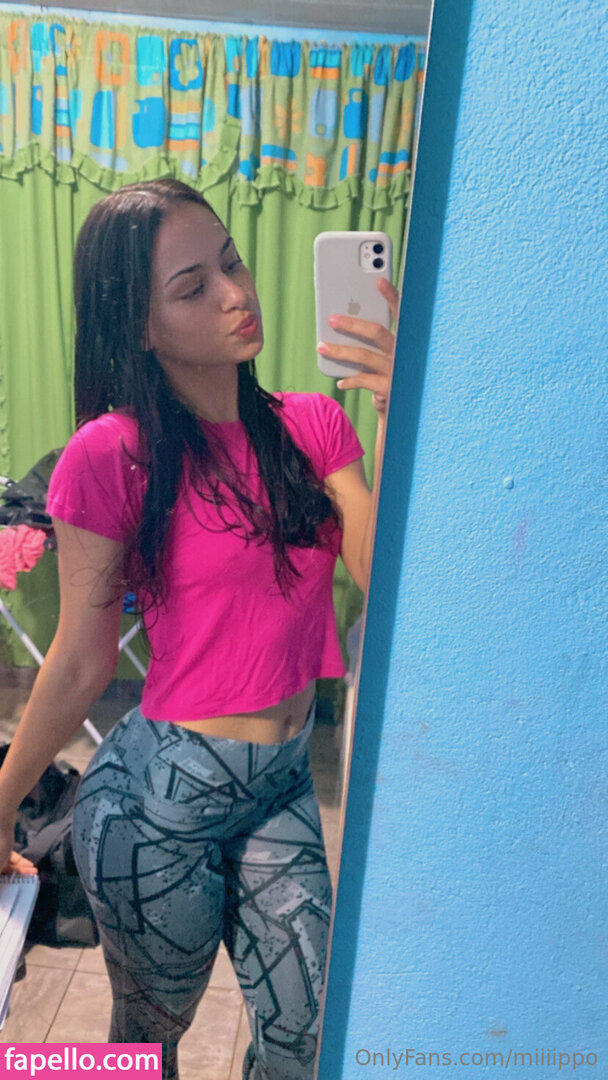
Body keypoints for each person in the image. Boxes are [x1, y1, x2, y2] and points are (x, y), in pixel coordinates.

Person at [0, 179, 398, 1080]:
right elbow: (79, 661)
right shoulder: (111, 454)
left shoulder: (312, 424)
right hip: (157, 802)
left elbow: (382, 582)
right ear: (139, 325)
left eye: (232, 263)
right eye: (193, 287)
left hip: (283, 781)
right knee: (151, 1040)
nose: (235, 294)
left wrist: (392, 418)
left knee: (304, 1036)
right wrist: (0, 803)